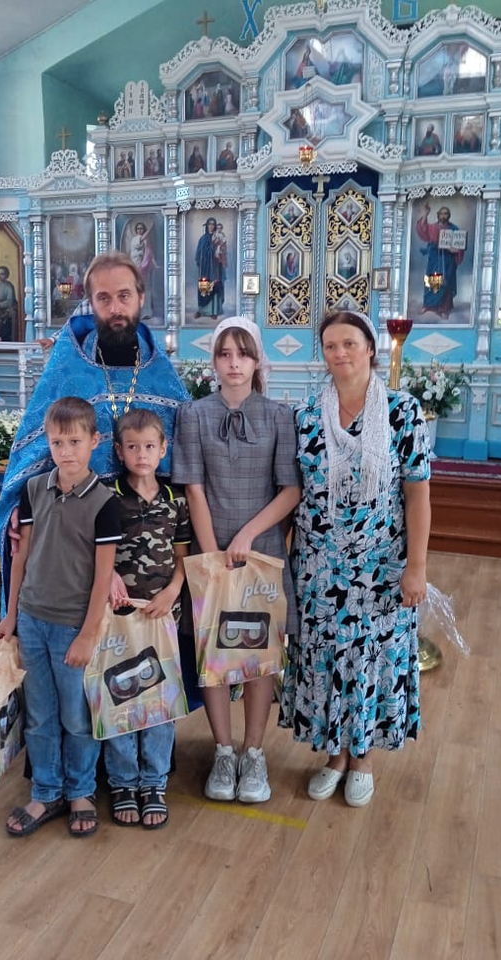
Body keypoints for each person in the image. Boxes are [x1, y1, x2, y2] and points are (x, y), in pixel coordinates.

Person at [279, 310, 431, 808]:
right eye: (330, 345)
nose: (339, 353)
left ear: (370, 348)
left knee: (369, 659)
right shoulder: (305, 415)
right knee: (326, 658)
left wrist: (416, 567)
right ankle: (334, 756)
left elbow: (417, 496)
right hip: (319, 566)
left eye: (349, 343)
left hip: (380, 565)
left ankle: (362, 758)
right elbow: (293, 492)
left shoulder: (402, 412)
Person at [0, 250, 188, 606]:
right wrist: (23, 506)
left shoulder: (161, 375)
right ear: (91, 303)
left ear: (140, 297)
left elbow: (184, 464)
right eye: (104, 298)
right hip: (77, 533)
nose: (115, 308)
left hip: (149, 545)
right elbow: (36, 450)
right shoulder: (68, 368)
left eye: (124, 296)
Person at [172, 317, 301, 804]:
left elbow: (290, 490)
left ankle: (254, 752)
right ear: (213, 361)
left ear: (257, 360)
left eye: (243, 354)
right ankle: (223, 750)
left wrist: (248, 535)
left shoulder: (278, 416)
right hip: (210, 549)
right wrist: (210, 557)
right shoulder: (193, 414)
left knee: (258, 654)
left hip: (261, 551)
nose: (233, 363)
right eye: (224, 354)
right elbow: (193, 488)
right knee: (214, 650)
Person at [0, 397, 122, 838]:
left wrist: (87, 634)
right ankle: (46, 792)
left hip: (72, 627)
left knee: (76, 716)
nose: (66, 451)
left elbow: (103, 576)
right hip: (31, 620)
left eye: (75, 441)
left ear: (94, 441)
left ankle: (81, 791)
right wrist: (10, 615)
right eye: (57, 442)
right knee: (40, 716)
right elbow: (22, 556)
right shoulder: (34, 490)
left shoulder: (104, 502)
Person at [104, 408, 191, 829]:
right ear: (119, 451)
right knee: (120, 694)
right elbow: (93, 548)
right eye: (133, 447)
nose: (142, 454)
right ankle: (123, 781)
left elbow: (182, 555)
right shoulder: (107, 495)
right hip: (118, 617)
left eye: (149, 446)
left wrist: (173, 591)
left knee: (159, 700)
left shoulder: (176, 498)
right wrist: (109, 576)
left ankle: (154, 781)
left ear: (163, 449)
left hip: (163, 616)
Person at [416, 203, 464, 318]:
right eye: (441, 213)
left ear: (449, 215)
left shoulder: (454, 229)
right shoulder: (433, 227)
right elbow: (423, 230)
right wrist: (425, 214)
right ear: (438, 215)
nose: (443, 215)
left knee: (445, 282)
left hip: (448, 259)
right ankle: (428, 305)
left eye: (445, 213)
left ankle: (443, 308)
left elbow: (460, 245)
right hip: (435, 257)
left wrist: (456, 250)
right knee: (432, 280)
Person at [193, 216, 225, 319]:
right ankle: (202, 310)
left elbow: (222, 252)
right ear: (207, 226)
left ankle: (214, 311)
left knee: (214, 285)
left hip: (215, 268)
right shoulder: (203, 239)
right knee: (204, 287)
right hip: (205, 268)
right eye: (209, 224)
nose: (211, 226)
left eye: (213, 224)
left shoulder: (218, 237)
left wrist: (218, 252)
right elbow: (198, 254)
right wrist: (206, 253)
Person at [126, 220, 157, 319]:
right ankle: (136, 313)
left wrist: (155, 264)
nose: (140, 230)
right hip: (136, 266)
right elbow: (142, 238)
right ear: (136, 230)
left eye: (141, 228)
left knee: (146, 289)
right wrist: (151, 227)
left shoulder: (146, 241)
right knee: (136, 289)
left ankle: (146, 312)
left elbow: (149, 253)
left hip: (143, 267)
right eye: (138, 228)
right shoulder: (135, 239)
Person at [0, 264, 18, 341]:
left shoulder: (9, 286)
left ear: (6, 275)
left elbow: (10, 301)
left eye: (2, 274)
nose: (0, 276)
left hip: (7, 310)